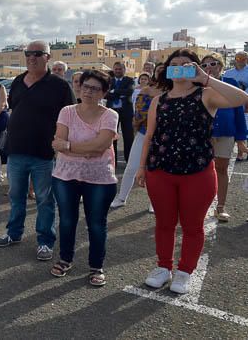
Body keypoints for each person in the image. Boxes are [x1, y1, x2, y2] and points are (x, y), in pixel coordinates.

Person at [137, 49, 248, 294]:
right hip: (160, 170)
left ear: (195, 68)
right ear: (167, 70)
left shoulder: (207, 95)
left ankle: (185, 270)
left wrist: (205, 78)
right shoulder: (160, 100)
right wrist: (142, 167)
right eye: (174, 64)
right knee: (164, 223)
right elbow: (150, 136)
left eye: (186, 65)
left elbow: (241, 98)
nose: (179, 68)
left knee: (192, 226)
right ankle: (163, 267)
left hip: (197, 171)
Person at [0, 41, 76, 263]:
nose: (31, 57)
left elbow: (70, 118)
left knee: (45, 200)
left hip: (43, 154)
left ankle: (45, 242)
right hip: (16, 151)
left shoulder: (59, 86)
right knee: (16, 196)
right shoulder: (19, 81)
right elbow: (14, 108)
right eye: (28, 54)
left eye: (37, 54)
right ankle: (13, 233)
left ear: (47, 57)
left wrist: (62, 146)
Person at [50, 70, 118, 286]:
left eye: (94, 88)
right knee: (67, 220)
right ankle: (65, 259)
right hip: (65, 175)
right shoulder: (67, 111)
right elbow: (57, 142)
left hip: (99, 178)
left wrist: (69, 147)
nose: (87, 91)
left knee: (96, 224)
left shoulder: (110, 115)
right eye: (84, 86)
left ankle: (96, 266)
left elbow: (100, 147)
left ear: (104, 92)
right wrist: (85, 149)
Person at [201, 53, 248, 222]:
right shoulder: (197, 85)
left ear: (220, 66)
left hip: (226, 133)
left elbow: (239, 112)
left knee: (221, 169)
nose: (209, 68)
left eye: (213, 64)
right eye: (204, 65)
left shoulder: (230, 83)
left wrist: (241, 139)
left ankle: (220, 207)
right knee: (201, 172)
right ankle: (199, 206)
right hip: (202, 136)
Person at [112, 65, 164, 210]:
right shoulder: (146, 90)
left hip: (166, 137)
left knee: (158, 171)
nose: (161, 73)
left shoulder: (176, 92)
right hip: (144, 133)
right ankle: (121, 197)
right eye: (158, 71)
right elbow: (139, 115)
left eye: (164, 70)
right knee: (132, 167)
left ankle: (153, 202)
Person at [106, 62, 135, 165]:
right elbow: (106, 94)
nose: (118, 71)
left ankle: (129, 161)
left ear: (124, 70)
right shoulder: (109, 81)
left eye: (120, 69)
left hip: (126, 112)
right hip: (112, 112)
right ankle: (113, 162)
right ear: (113, 70)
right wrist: (118, 93)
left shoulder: (129, 80)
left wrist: (114, 92)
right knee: (112, 137)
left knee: (128, 137)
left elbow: (129, 91)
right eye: (116, 69)